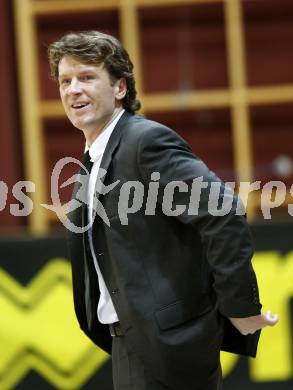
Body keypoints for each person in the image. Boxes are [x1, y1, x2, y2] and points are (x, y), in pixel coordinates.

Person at [48, 31, 278, 390]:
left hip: (170, 347)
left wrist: (239, 307)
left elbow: (222, 210)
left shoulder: (145, 142)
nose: (73, 89)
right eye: (65, 80)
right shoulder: (92, 159)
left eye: (87, 77)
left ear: (120, 88)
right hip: (130, 343)